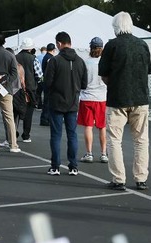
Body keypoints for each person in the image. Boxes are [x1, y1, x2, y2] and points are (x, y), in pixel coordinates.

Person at [99, 11, 151, 191]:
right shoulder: (142, 44)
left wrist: (114, 83)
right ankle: (141, 178)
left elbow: (104, 74)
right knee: (141, 140)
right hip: (140, 98)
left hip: (117, 99)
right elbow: (147, 71)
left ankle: (118, 178)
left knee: (114, 139)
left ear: (115, 27)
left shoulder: (112, 46)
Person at [44, 32, 87, 176]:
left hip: (56, 102)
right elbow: (84, 84)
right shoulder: (80, 61)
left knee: (56, 135)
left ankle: (55, 166)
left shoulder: (55, 61)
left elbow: (47, 83)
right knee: (72, 135)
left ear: (59, 43)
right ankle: (73, 166)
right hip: (73, 102)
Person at [78, 37, 108, 164]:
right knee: (102, 126)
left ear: (91, 48)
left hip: (87, 97)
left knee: (88, 126)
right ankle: (103, 153)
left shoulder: (85, 62)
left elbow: (81, 80)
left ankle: (89, 153)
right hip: (101, 97)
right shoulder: (105, 62)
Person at [16, 38, 42, 143]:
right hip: (30, 89)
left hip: (16, 88)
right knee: (28, 113)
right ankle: (26, 135)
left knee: (15, 112)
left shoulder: (15, 57)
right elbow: (39, 75)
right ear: (31, 48)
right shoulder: (33, 59)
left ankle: (14, 133)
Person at [39, 43, 56, 126]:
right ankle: (45, 118)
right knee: (48, 102)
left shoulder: (46, 57)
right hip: (49, 82)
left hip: (45, 80)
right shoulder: (50, 58)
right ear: (53, 50)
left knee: (47, 101)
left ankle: (45, 118)